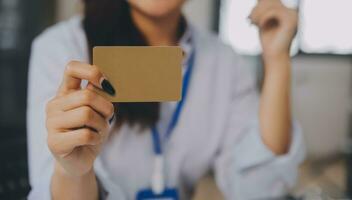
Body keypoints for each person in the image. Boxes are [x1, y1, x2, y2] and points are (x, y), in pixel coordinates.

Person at [27, 0, 305, 199]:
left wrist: (277, 58)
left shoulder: (223, 60)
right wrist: (73, 172)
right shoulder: (60, 49)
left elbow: (259, 188)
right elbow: (48, 187)